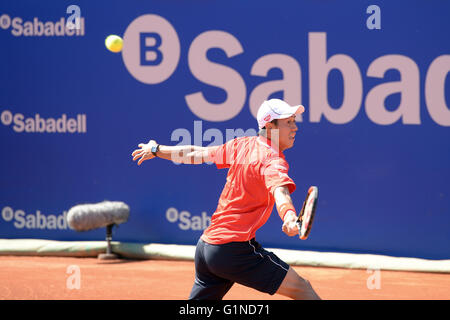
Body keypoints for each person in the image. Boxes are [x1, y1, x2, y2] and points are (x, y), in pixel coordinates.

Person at [131, 99, 321, 300]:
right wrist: (290, 217)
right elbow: (279, 191)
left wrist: (156, 149)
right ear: (269, 126)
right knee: (303, 289)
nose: (295, 127)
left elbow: (197, 152)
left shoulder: (241, 145)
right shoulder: (272, 159)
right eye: (288, 122)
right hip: (232, 250)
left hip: (206, 248)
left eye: (294, 121)